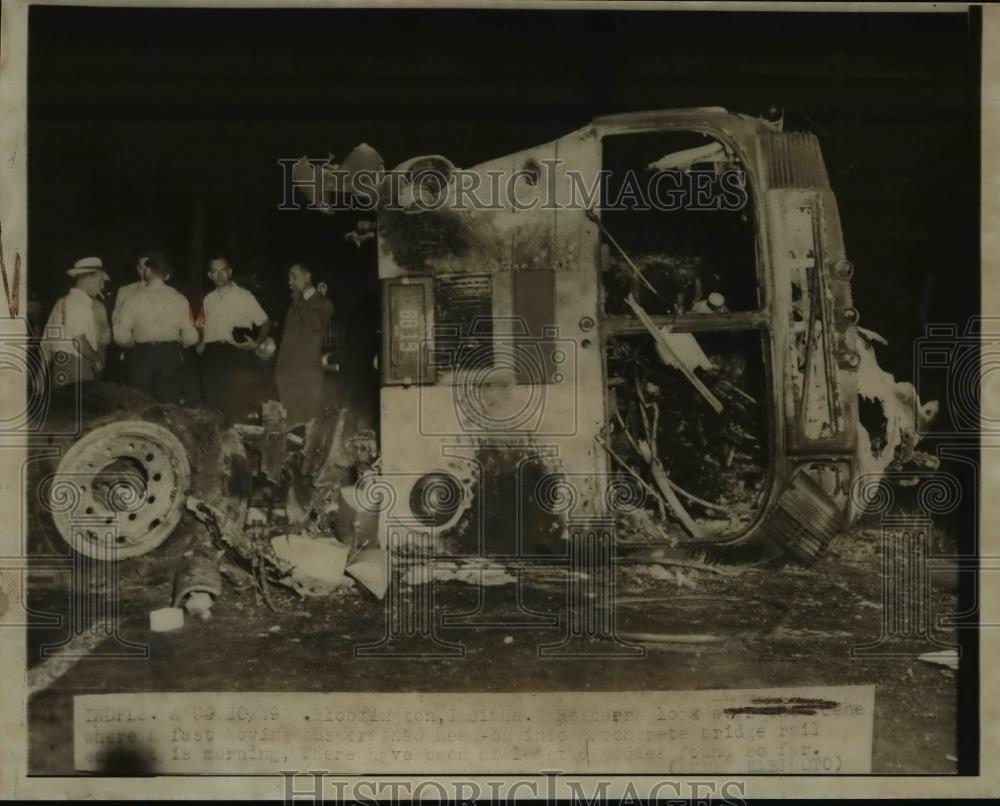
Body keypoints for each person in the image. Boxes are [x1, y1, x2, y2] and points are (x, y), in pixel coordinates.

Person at [113, 252, 198, 403]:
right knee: (169, 405)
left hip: (141, 356)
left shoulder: (132, 298)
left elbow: (120, 336)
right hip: (170, 356)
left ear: (148, 271)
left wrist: (134, 343)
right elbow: (192, 337)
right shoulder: (180, 299)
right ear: (166, 275)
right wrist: (179, 341)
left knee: (141, 405)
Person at [197, 255, 272, 421]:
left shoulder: (244, 296)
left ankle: (237, 444)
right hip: (211, 355)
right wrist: (201, 340)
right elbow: (202, 324)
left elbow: (266, 322)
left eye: (223, 270)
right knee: (213, 404)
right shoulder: (208, 299)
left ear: (230, 272)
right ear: (210, 276)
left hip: (235, 353)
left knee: (237, 403)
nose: (219, 275)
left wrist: (256, 343)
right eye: (215, 272)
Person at [275, 262, 335, 427]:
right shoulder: (294, 305)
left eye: (294, 277)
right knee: (290, 424)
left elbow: (316, 326)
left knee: (309, 423)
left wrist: (299, 302)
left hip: (308, 374)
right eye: (289, 278)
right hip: (288, 375)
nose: (290, 282)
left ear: (308, 276)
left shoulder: (323, 303)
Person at [40, 256, 112, 387]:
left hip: (61, 365)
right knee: (82, 405)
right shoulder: (79, 304)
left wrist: (40, 374)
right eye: (100, 280)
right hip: (79, 365)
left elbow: (47, 341)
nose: (102, 286)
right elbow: (78, 340)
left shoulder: (61, 302)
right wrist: (98, 360)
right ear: (88, 278)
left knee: (66, 405)